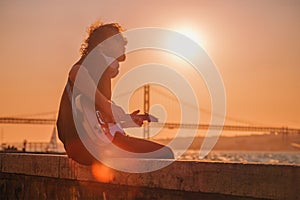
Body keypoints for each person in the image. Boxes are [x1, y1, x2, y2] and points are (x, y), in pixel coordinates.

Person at [57, 21, 174, 165]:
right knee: (165, 154)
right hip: (94, 147)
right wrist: (106, 105)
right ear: (102, 45)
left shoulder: (96, 71)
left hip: (80, 148)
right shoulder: (96, 59)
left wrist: (126, 119)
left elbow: (96, 123)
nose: (124, 43)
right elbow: (75, 72)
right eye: (117, 40)